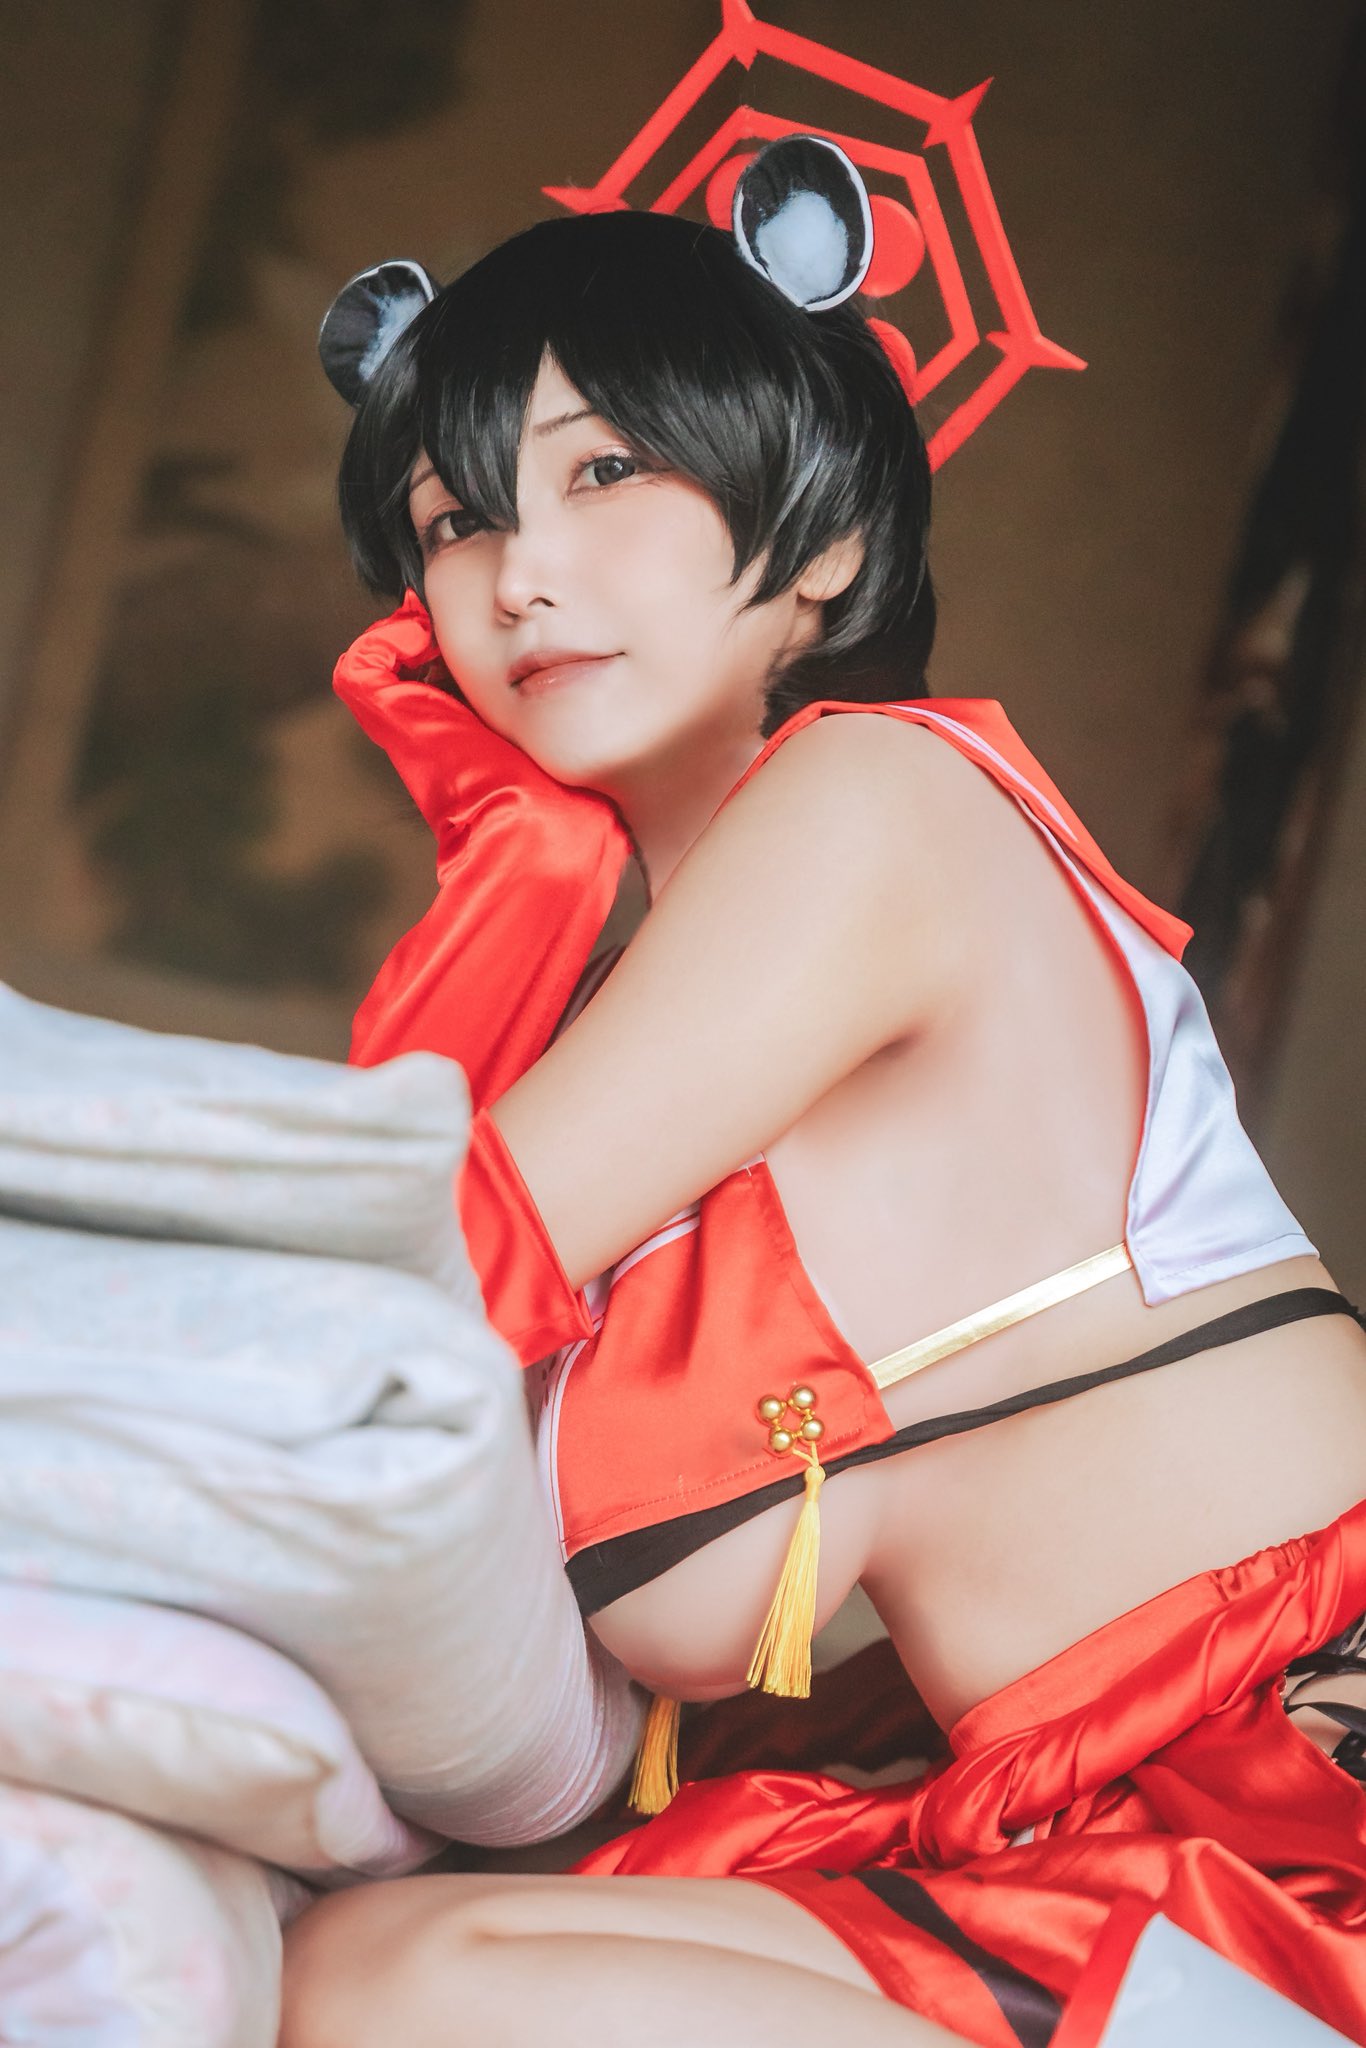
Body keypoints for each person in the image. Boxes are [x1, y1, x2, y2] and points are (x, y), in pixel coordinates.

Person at [279, 140, 1366, 2047]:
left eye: (605, 470)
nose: (518, 574)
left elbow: (410, 1279)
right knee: (368, 1972)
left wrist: (511, 865)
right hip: (1099, 1811)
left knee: (403, 1994)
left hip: (1304, 1784)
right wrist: (527, 873)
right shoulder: (660, 1019)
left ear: (831, 545)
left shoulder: (878, 805)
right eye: (452, 520)